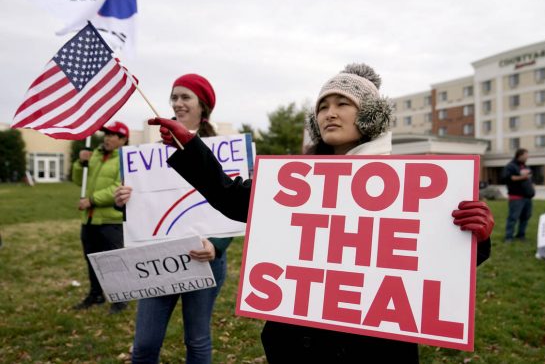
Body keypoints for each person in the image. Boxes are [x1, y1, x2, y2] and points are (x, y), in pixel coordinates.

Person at [149, 63, 494, 364]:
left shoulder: (412, 184)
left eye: (343, 103)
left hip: (374, 346)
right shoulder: (298, 180)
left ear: (370, 114)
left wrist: (477, 235)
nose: (330, 113)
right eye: (323, 106)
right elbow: (230, 197)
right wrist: (190, 146)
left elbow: (436, 262)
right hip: (299, 343)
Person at [115, 74, 232, 364]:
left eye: (185, 97)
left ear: (202, 106)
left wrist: (216, 244)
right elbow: (147, 204)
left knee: (197, 339)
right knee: (144, 344)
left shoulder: (225, 149)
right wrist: (125, 202)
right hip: (159, 256)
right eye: (174, 97)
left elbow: (234, 203)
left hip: (203, 256)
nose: (178, 104)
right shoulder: (152, 151)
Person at [72, 121, 129, 314]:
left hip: (110, 221)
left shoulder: (125, 159)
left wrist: (92, 200)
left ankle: (120, 299)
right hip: (89, 220)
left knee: (114, 261)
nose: (107, 138)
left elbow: (118, 187)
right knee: (91, 259)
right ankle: (96, 295)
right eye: (106, 134)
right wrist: (81, 163)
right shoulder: (95, 155)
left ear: (123, 139)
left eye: (113, 135)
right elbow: (79, 180)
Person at [502, 148, 535, 242]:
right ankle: (508, 237)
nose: (527, 158)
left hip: (527, 197)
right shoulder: (511, 166)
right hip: (516, 197)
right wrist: (523, 177)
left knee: (525, 217)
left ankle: (521, 235)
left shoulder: (525, 166)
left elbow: (529, 177)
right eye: (525, 156)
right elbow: (508, 178)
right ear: (519, 155)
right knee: (513, 218)